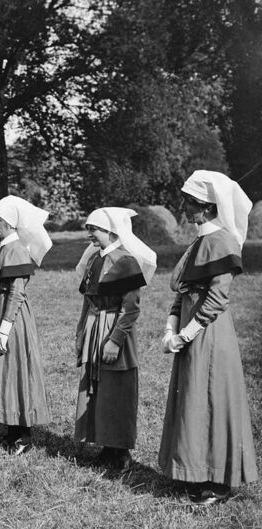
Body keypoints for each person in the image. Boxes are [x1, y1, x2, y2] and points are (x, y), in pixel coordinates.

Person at [159, 170, 258, 505]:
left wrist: (185, 334)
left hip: (210, 333)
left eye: (192, 203)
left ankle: (218, 481)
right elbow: (184, 289)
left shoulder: (223, 242)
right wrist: (170, 326)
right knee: (193, 399)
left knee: (211, 398)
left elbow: (216, 299)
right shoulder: (200, 242)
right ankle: (194, 469)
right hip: (191, 329)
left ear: (209, 206)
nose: (187, 209)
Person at [73, 207, 156, 470]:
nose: (90, 235)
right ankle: (105, 446)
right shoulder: (95, 259)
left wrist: (115, 340)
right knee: (98, 388)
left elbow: (131, 308)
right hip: (94, 326)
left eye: (94, 229)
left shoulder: (125, 261)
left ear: (110, 230)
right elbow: (88, 299)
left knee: (117, 389)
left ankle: (120, 451)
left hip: (113, 328)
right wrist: (81, 333)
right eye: (88, 229)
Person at [0, 195, 52, 454]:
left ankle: (23, 436)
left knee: (14, 370)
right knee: (4, 370)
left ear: (12, 222)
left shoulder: (15, 248)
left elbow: (16, 292)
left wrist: (5, 328)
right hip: (0, 309)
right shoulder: (6, 247)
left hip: (11, 315)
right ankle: (12, 430)